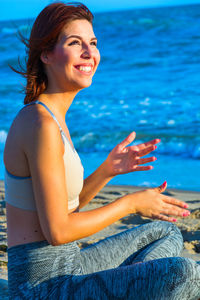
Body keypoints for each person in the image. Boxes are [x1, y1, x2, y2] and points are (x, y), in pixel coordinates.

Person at [3, 2, 200, 299]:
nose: (89, 53)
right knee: (181, 273)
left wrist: (107, 171)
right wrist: (130, 204)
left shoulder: (50, 117)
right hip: (42, 287)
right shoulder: (40, 124)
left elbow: (63, 209)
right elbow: (58, 230)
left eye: (92, 43)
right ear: (45, 54)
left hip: (70, 266)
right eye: (74, 43)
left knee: (166, 233)